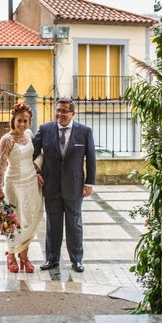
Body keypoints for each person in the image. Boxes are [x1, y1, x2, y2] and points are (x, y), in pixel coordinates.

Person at [32, 98, 96, 273]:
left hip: (75, 186)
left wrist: (89, 182)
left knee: (74, 223)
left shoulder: (84, 131)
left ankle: (77, 261)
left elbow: (91, 158)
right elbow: (33, 153)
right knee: (53, 224)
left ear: (72, 114)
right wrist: (36, 173)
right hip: (51, 185)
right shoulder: (45, 129)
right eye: (58, 110)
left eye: (64, 111)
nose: (60, 114)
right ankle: (51, 259)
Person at [0, 102, 44, 273]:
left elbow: (37, 155)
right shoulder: (6, 140)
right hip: (13, 183)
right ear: (13, 120)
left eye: (25, 121)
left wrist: (37, 170)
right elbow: (0, 165)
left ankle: (24, 256)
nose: (22, 124)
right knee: (13, 221)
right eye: (19, 121)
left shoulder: (30, 134)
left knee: (29, 218)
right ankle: (11, 256)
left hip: (30, 182)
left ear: (29, 122)